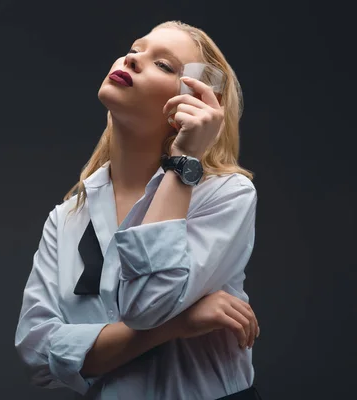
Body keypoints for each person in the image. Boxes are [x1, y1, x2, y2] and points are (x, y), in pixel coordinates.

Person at [14, 20, 262, 400]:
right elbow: (38, 351)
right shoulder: (67, 217)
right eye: (135, 48)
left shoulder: (227, 195)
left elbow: (146, 305)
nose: (132, 60)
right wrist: (177, 325)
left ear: (197, 101)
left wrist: (184, 162)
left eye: (164, 65)